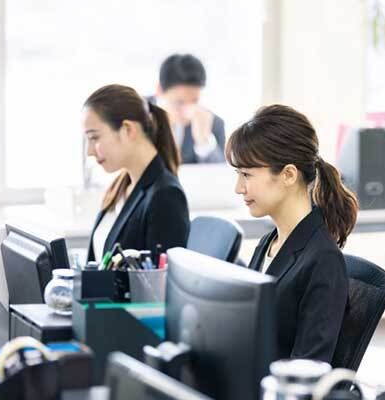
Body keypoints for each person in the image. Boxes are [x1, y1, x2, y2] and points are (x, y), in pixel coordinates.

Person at [225, 104, 360, 363]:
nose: (239, 188)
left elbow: (308, 365)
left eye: (246, 174)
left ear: (288, 175)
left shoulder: (323, 260)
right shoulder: (269, 243)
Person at [83, 84, 190, 263]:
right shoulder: (121, 185)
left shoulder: (166, 196)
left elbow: (156, 278)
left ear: (127, 129)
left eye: (94, 137)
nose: (89, 151)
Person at [149, 53, 226, 164]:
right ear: (159, 90)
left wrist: (204, 142)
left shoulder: (213, 123)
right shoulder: (135, 113)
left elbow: (220, 173)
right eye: (179, 102)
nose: (189, 111)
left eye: (194, 101)